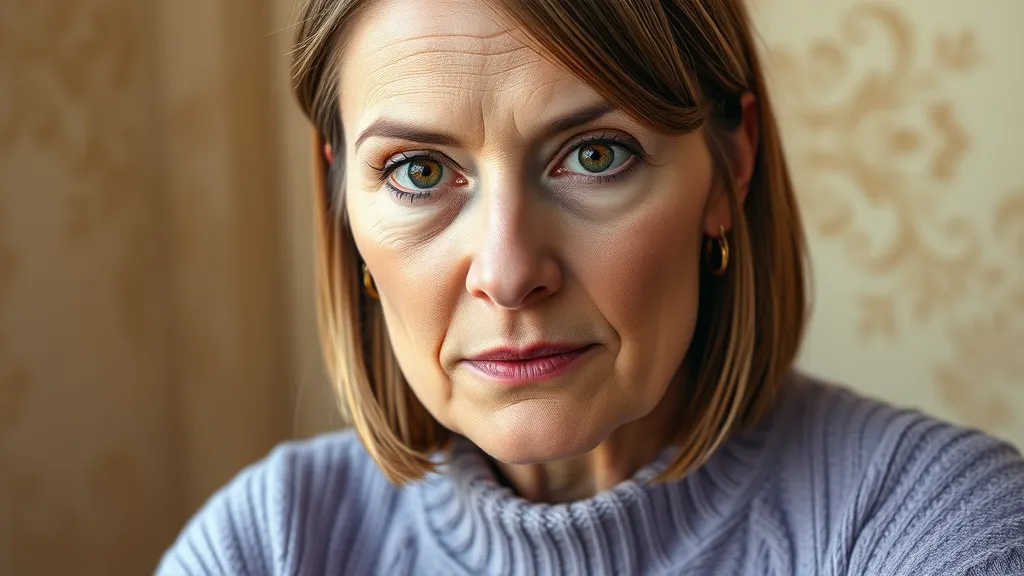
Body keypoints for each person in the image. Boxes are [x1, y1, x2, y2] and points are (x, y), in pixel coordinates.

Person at [156, 0, 1024, 574]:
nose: (506, 272)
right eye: (421, 170)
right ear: (344, 198)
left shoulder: (934, 528)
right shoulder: (268, 544)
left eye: (594, 155)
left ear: (729, 169)